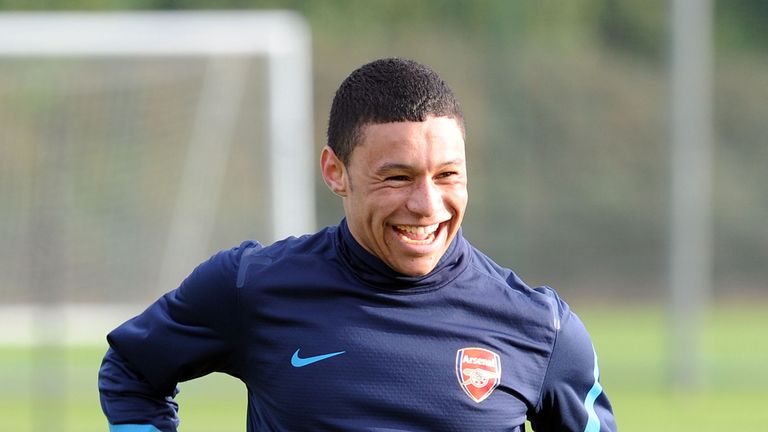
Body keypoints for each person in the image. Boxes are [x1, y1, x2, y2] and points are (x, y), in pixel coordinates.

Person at [99, 57, 616, 431]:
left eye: (447, 175)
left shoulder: (541, 327)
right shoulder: (252, 286)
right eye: (398, 177)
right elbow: (131, 369)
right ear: (335, 171)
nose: (427, 205)